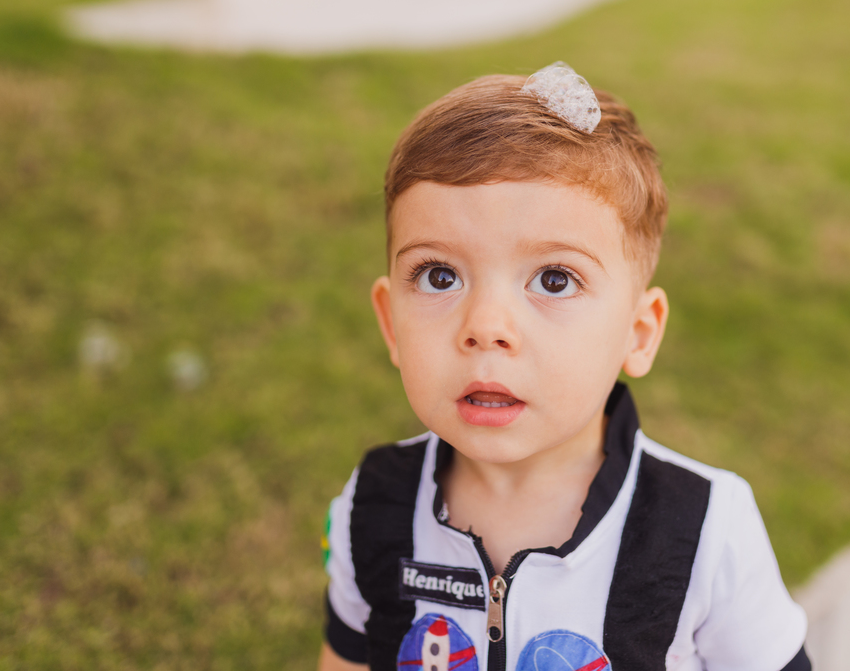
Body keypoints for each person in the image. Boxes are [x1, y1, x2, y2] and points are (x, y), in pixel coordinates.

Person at [319, 63, 811, 671]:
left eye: (554, 279)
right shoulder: (374, 505)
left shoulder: (705, 529)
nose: (487, 325)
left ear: (638, 332)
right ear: (391, 322)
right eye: (439, 275)